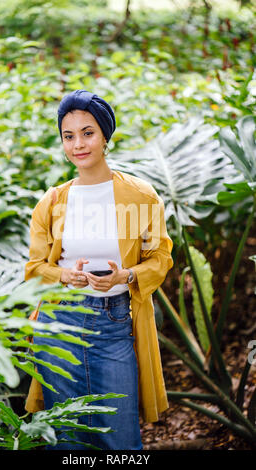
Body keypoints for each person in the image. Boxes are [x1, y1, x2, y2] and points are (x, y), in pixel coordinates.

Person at [24, 89, 174, 450]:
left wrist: (126, 276)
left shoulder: (140, 196)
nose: (78, 144)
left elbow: (161, 258)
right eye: (68, 135)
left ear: (105, 136)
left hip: (115, 325)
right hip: (59, 325)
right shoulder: (53, 200)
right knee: (67, 440)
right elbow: (34, 267)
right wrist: (64, 275)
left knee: (121, 440)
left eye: (88, 133)